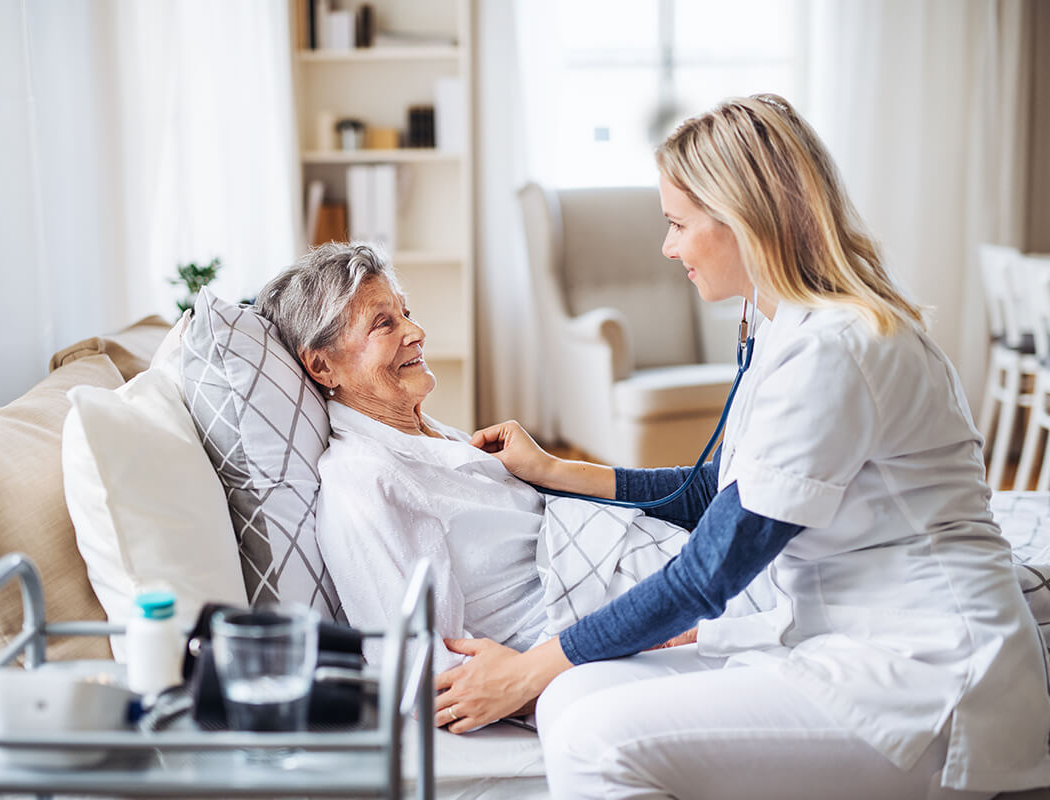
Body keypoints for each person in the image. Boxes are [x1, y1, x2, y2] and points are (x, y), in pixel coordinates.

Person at [432, 94, 1050, 799]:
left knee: (590, 737)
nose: (668, 248)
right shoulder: (782, 322)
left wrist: (527, 666)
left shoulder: (837, 349)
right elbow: (712, 492)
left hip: (928, 674)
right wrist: (551, 470)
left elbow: (709, 573)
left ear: (744, 222)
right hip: (838, 638)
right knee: (570, 699)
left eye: (677, 224)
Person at [257, 243, 733, 674]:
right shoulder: (364, 482)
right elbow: (426, 667)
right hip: (643, 622)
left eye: (406, 313)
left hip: (675, 571)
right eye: (385, 323)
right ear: (321, 365)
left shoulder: (435, 437)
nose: (417, 331)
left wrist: (549, 472)